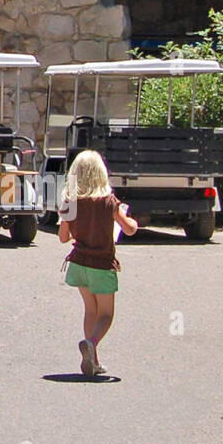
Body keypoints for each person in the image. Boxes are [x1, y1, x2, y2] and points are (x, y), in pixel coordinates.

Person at [57, 149, 138, 376]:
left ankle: (93, 359)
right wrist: (132, 220)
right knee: (106, 314)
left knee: (90, 309)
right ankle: (91, 343)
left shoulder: (70, 201)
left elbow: (63, 237)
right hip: (102, 265)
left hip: (79, 263)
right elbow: (129, 229)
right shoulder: (109, 202)